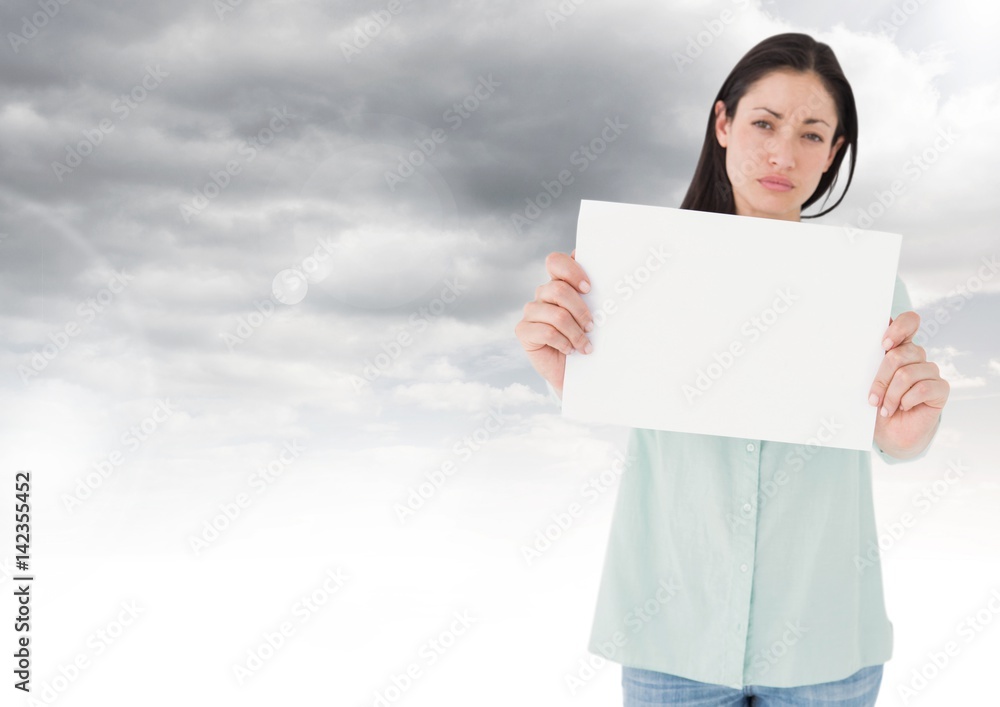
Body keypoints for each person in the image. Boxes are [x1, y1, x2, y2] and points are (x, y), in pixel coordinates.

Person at [514, 32, 949, 706]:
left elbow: (897, 441)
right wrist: (560, 370)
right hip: (672, 640)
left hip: (824, 645)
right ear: (723, 122)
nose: (783, 152)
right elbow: (611, 397)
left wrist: (907, 434)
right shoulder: (637, 271)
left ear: (834, 152)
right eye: (764, 123)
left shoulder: (868, 289)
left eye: (812, 134)